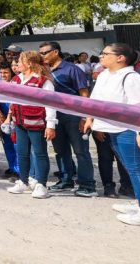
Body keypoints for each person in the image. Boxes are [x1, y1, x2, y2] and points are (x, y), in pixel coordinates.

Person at [83, 43, 140, 227]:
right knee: (131, 169)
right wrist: (90, 118)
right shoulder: (104, 75)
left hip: (129, 130)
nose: (101, 56)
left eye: (105, 54)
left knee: (138, 169)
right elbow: (95, 100)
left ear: (120, 58)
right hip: (111, 128)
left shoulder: (132, 78)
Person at [38, 41, 96, 197]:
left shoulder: (73, 69)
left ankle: (87, 185)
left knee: (81, 151)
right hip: (55, 116)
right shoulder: (44, 71)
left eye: (44, 53)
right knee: (60, 150)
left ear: (56, 52)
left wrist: (85, 117)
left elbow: (84, 95)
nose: (42, 56)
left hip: (74, 116)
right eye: (40, 53)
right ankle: (65, 179)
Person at [6, 51, 57, 199]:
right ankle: (24, 181)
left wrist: (51, 125)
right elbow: (11, 100)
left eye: (20, 62)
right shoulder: (16, 79)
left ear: (29, 63)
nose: (17, 65)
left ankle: (41, 184)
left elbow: (50, 104)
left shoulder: (43, 81)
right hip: (20, 123)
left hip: (37, 123)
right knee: (22, 153)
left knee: (40, 153)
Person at [0, 62, 19, 181]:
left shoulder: (16, 84)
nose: (3, 75)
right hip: (1, 119)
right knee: (7, 145)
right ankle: (12, 167)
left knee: (16, 145)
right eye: (1, 72)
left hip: (14, 119)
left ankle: (19, 171)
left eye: (6, 72)